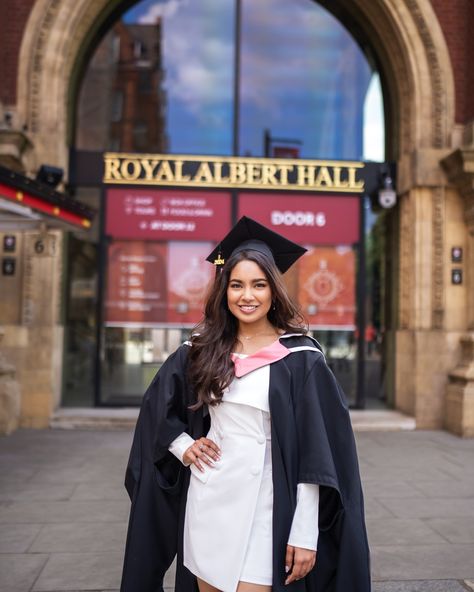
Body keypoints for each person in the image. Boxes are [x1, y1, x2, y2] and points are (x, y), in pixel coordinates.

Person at [120, 217, 371, 592]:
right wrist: (185, 447)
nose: (247, 295)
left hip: (268, 508)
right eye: (236, 285)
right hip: (210, 500)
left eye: (259, 284)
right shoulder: (201, 351)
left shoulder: (301, 359)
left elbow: (317, 456)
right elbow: (158, 410)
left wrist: (304, 531)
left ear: (273, 290)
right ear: (224, 291)